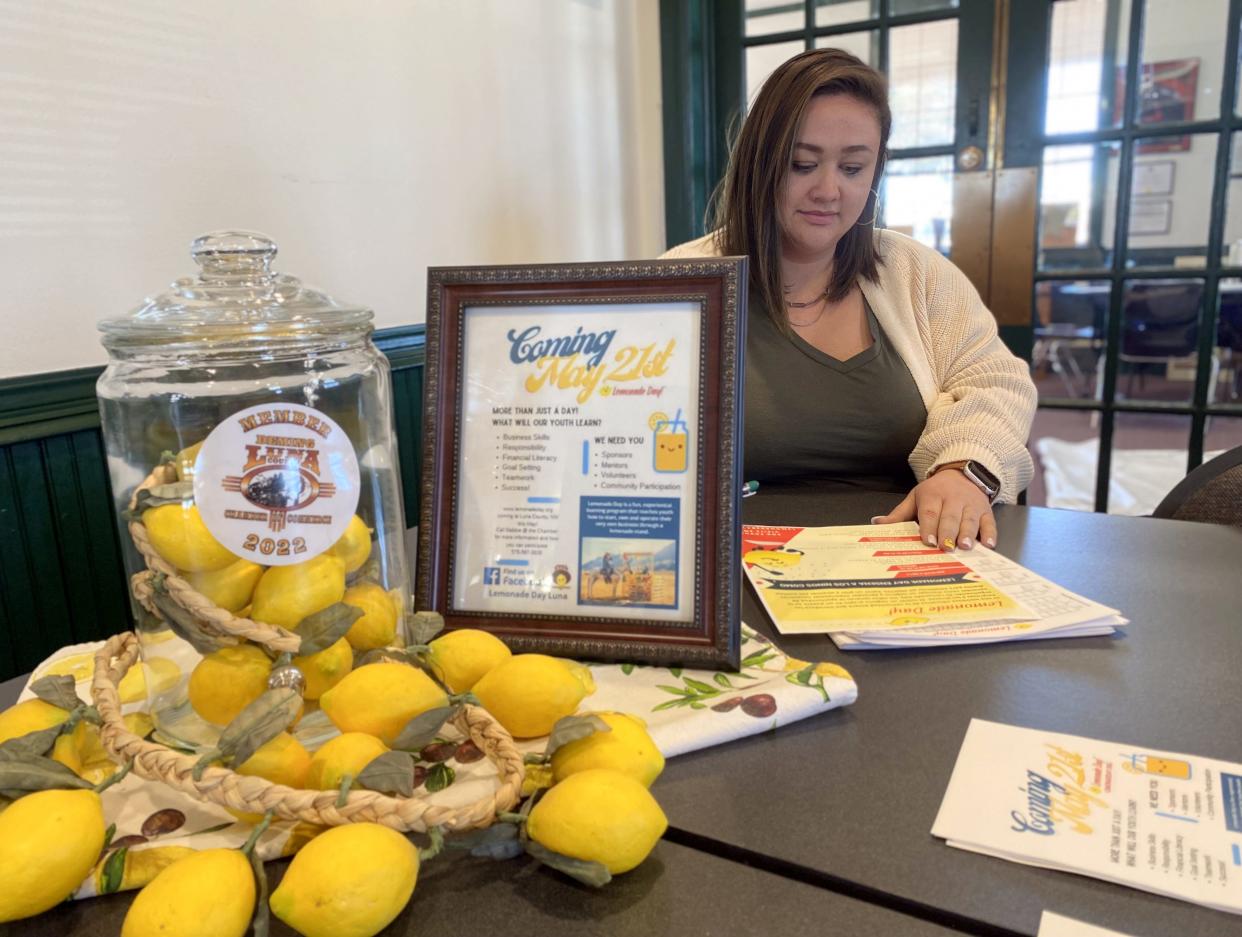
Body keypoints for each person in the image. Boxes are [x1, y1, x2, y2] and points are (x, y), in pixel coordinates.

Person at [662, 48, 1036, 552]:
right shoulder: (680, 280)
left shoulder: (915, 272)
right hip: (732, 558)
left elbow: (996, 381)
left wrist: (962, 471)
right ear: (759, 165)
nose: (828, 190)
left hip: (906, 552)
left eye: (854, 168)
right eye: (802, 163)